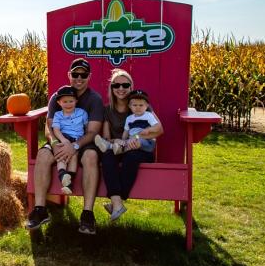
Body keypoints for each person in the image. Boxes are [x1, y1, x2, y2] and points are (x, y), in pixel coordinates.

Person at [26, 58, 105, 235]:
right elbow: (49, 125)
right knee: (43, 156)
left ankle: (87, 214)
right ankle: (40, 210)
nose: (79, 78)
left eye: (83, 75)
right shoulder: (58, 96)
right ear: (69, 75)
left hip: (84, 141)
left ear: (89, 76)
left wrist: (75, 146)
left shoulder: (94, 99)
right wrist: (54, 144)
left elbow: (92, 132)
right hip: (59, 140)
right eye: (75, 74)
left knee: (91, 157)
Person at [94, 70, 163, 221]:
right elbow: (106, 137)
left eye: (125, 84)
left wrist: (138, 136)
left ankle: (117, 201)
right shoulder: (107, 110)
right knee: (107, 155)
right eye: (116, 85)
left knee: (131, 156)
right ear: (111, 88)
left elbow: (159, 129)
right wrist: (116, 141)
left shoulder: (141, 105)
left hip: (141, 149)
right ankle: (117, 204)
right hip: (119, 148)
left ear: (131, 87)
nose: (121, 88)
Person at [50, 86, 89, 195]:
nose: (68, 104)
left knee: (74, 156)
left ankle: (68, 182)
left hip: (77, 140)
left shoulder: (82, 113)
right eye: (65, 102)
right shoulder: (58, 115)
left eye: (71, 101)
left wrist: (81, 141)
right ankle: (62, 174)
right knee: (62, 155)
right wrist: (63, 140)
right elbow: (56, 130)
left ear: (76, 101)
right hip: (64, 137)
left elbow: (87, 127)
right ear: (59, 102)